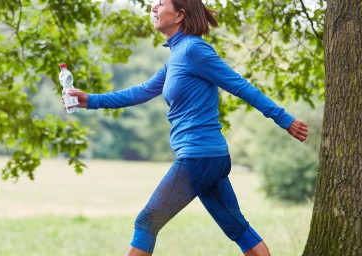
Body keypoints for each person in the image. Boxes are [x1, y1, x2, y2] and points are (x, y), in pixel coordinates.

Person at [64, 0, 309, 255]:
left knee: (147, 222)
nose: (153, 8)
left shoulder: (195, 51)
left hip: (199, 157)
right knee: (237, 229)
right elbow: (141, 92)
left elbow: (240, 86)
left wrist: (284, 119)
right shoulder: (177, 56)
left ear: (179, 14)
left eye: (160, 3)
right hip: (208, 158)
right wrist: (90, 100)